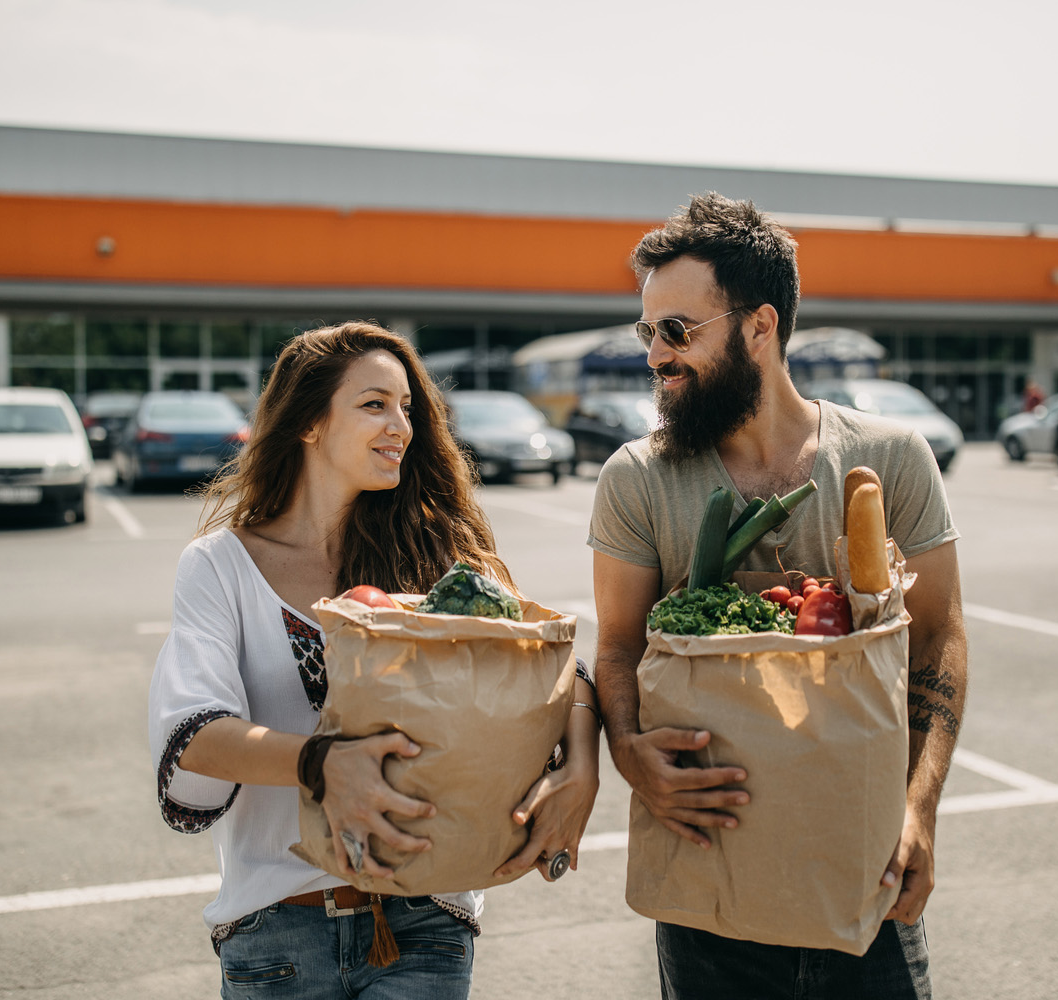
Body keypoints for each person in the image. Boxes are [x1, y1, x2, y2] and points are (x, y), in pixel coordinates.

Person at [148, 322, 600, 999]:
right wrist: (323, 765)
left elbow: (551, 666)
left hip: (427, 923)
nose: (402, 426)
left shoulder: (439, 556)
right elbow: (196, 736)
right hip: (279, 933)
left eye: (408, 408)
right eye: (374, 405)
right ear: (307, 423)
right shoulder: (220, 567)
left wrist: (581, 771)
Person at [589, 193, 968, 999]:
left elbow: (937, 639)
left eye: (677, 331)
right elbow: (617, 648)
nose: (655, 354)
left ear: (760, 327)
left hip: (868, 875)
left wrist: (918, 811)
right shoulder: (637, 478)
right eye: (646, 332)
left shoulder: (892, 459)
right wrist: (630, 754)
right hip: (709, 892)